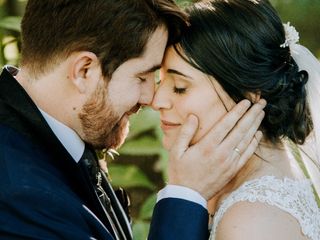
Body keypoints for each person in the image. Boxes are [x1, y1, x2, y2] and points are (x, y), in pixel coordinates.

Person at [0, 0, 266, 239]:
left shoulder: (61, 135)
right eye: (142, 77)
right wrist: (185, 195)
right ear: (84, 71)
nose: (151, 98)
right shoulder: (18, 197)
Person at [151, 0, 320, 239]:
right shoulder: (232, 190)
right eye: (160, 81)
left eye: (180, 87)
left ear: (250, 92)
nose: (156, 100)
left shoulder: (253, 222)